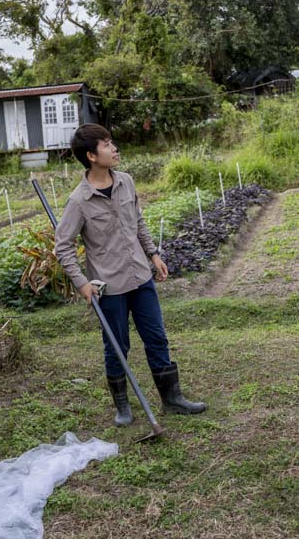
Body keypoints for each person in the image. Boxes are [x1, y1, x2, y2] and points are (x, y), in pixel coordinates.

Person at [54, 124, 206, 426]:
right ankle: (122, 406)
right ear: (91, 156)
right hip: (109, 286)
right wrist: (81, 283)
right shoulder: (79, 201)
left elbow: (138, 222)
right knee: (116, 345)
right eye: (107, 144)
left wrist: (153, 254)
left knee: (157, 337)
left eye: (112, 142)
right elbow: (63, 246)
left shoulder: (126, 182)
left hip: (140, 275)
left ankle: (172, 399)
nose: (114, 148)